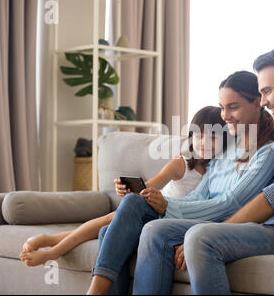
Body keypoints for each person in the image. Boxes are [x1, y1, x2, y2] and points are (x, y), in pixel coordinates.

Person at [132, 47, 274, 295]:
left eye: (267, 91)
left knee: (201, 238)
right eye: (260, 93)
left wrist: (220, 227)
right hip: (266, 225)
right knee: (154, 229)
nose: (264, 101)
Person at [86, 71, 274, 295]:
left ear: (257, 103)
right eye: (222, 107)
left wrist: (168, 207)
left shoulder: (266, 153)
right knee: (124, 212)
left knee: (154, 230)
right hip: (198, 213)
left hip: (219, 221)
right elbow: (199, 195)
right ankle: (97, 291)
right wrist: (159, 200)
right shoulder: (228, 148)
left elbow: (230, 204)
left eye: (233, 107)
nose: (225, 116)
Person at [18, 106, 227, 267]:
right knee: (109, 219)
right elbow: (150, 187)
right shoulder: (181, 164)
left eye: (213, 136)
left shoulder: (221, 170)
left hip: (177, 222)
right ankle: (52, 250)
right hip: (157, 210)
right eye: (199, 135)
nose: (204, 142)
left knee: (109, 222)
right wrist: (130, 190)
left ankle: (50, 239)